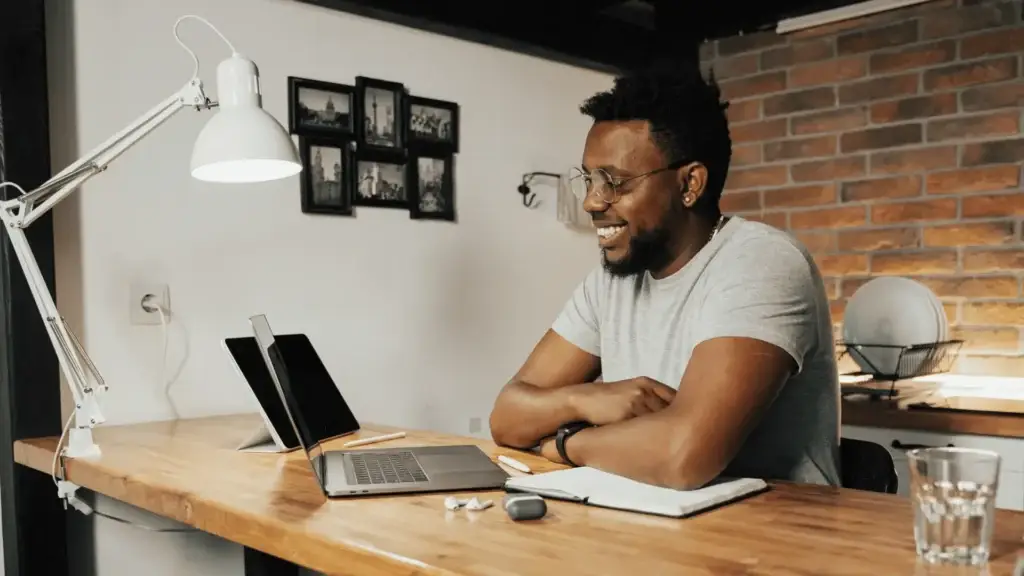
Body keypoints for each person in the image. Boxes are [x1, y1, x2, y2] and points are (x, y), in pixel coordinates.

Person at [488, 63, 840, 490]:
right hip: (653, 529)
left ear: (690, 183)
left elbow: (682, 455)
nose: (592, 203)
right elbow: (507, 416)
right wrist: (588, 398)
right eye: (589, 180)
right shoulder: (611, 281)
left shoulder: (762, 263)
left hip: (775, 543)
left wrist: (565, 441)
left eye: (615, 183)